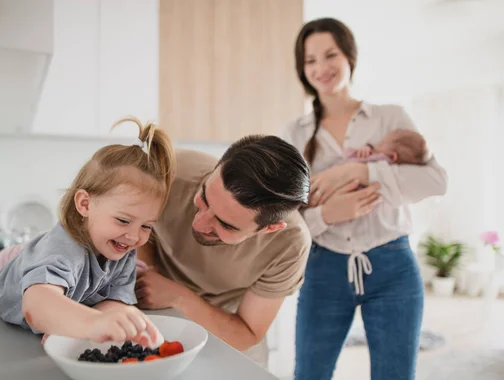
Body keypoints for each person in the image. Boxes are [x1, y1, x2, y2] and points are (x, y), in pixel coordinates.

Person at [281, 18, 448, 380]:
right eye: (310, 60)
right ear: (302, 68)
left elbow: (436, 180)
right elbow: (284, 218)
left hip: (393, 266)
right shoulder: (294, 133)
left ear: (349, 56)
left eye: (330, 55)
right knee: (309, 373)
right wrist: (326, 214)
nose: (321, 68)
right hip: (323, 268)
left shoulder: (390, 118)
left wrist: (359, 172)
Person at [0, 116, 176, 348]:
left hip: (71, 277)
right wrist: (90, 324)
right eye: (123, 220)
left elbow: (115, 303)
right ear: (85, 204)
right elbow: (36, 306)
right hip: (6, 269)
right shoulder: (64, 250)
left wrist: (112, 322)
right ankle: (28, 254)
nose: (135, 237)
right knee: (47, 264)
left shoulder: (124, 249)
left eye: (146, 226)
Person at [134, 135, 312, 367]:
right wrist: (148, 271)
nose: (199, 224)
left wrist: (177, 296)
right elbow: (133, 225)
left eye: (226, 224)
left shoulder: (290, 245)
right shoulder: (169, 171)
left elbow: (246, 332)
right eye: (204, 198)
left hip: (226, 329)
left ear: (269, 229)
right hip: (153, 307)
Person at [344, 128, 430, 165]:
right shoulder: (382, 158)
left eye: (381, 144)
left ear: (392, 156)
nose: (377, 146)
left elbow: (348, 158)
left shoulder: (382, 160)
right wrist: (368, 147)